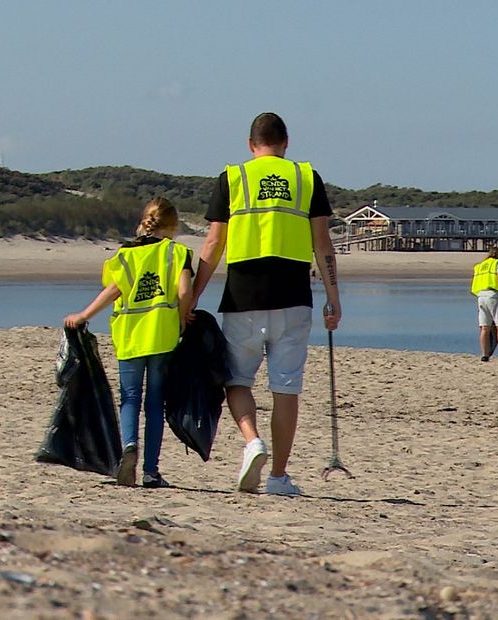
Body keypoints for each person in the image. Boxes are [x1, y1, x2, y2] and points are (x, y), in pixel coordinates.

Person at [192, 112, 342, 497]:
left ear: (250, 144)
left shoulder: (233, 177)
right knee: (286, 388)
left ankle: (251, 441)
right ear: (286, 142)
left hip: (243, 297)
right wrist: (333, 297)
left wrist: (192, 296)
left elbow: (213, 244)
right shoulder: (307, 177)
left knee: (237, 380)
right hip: (293, 297)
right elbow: (323, 244)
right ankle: (278, 477)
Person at [65, 197, 193, 489]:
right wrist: (184, 316)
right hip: (162, 335)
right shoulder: (177, 252)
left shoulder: (125, 254)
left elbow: (114, 290)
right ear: (172, 226)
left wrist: (84, 315)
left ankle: (129, 447)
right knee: (155, 404)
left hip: (130, 334)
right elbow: (184, 290)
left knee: (130, 398)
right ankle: (151, 471)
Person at [471, 247, 498, 363]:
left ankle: (485, 355)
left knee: (484, 327)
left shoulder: (480, 265)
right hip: (494, 295)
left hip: (481, 296)